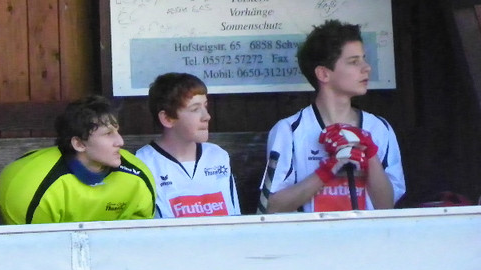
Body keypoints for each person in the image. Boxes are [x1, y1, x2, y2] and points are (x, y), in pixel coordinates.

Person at [261, 19, 405, 213]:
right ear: (323, 74)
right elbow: (271, 207)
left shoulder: (380, 128)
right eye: (354, 62)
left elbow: (386, 206)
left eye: (363, 59)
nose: (367, 67)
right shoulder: (289, 130)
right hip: (311, 233)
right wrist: (327, 170)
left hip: (367, 233)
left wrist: (370, 154)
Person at [0, 95, 156, 225]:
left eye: (117, 131)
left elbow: (137, 242)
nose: (120, 142)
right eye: (108, 134)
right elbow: (38, 249)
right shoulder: (33, 188)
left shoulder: (138, 177)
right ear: (79, 144)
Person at [134, 72, 240, 218]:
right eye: (195, 109)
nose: (207, 116)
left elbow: (235, 219)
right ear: (167, 118)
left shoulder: (218, 156)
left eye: (205, 106)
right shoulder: (143, 163)